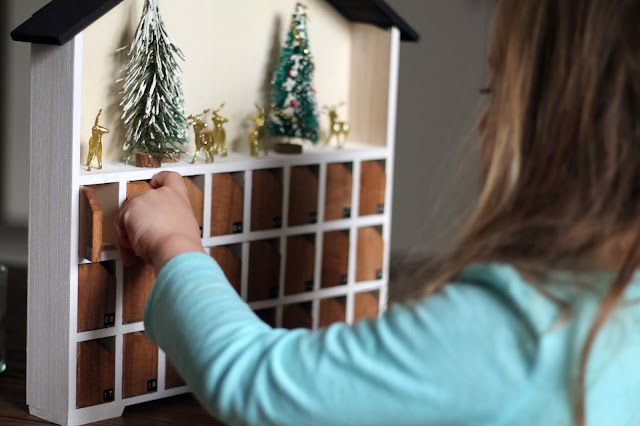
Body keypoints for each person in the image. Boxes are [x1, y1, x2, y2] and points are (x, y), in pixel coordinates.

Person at [115, 0, 640, 424]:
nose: (483, 123)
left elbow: (257, 382)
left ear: (562, 134)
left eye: (495, 92)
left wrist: (175, 245)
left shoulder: (511, 331)